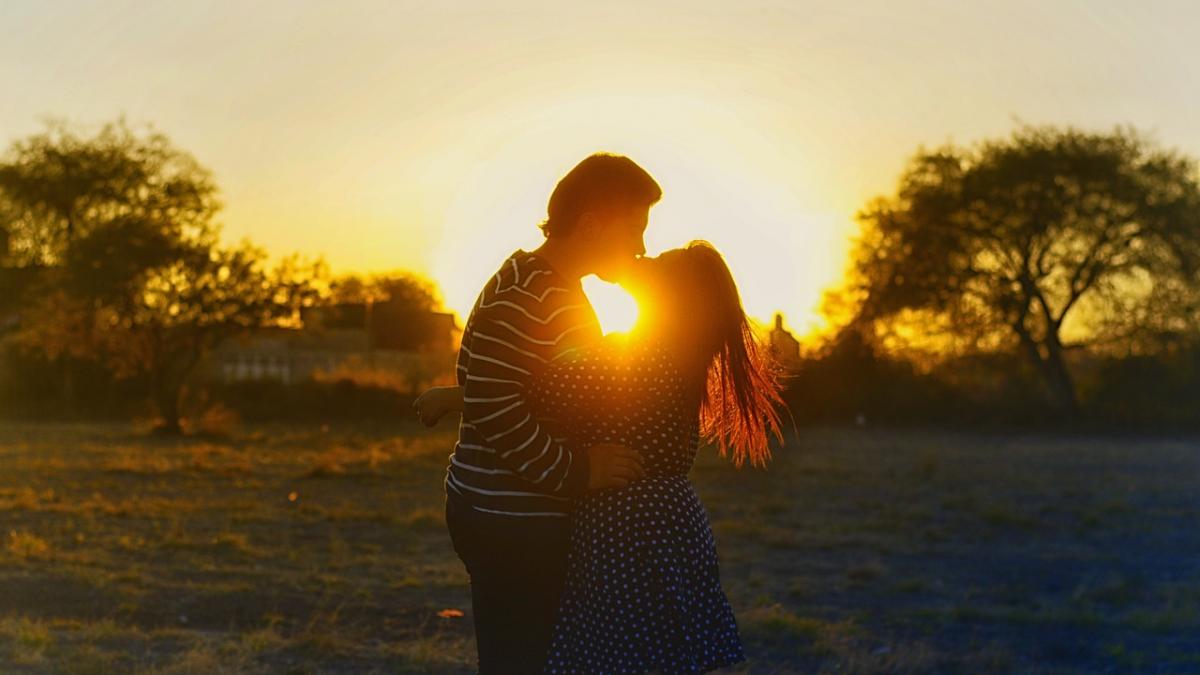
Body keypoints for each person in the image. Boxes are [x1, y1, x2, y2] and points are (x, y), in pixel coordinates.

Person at [421, 241, 785, 674]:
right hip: (666, 525)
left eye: (656, 264)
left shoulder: (640, 357)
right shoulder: (668, 354)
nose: (641, 257)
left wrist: (458, 396)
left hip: (631, 533)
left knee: (623, 659)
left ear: (669, 296)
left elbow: (541, 391)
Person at [426, 152, 662, 674]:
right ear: (591, 224)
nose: (642, 247)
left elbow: (528, 387)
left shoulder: (547, 286)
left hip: (512, 512)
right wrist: (581, 471)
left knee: (530, 653)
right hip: (511, 518)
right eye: (636, 229)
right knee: (522, 659)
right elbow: (494, 405)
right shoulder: (528, 291)